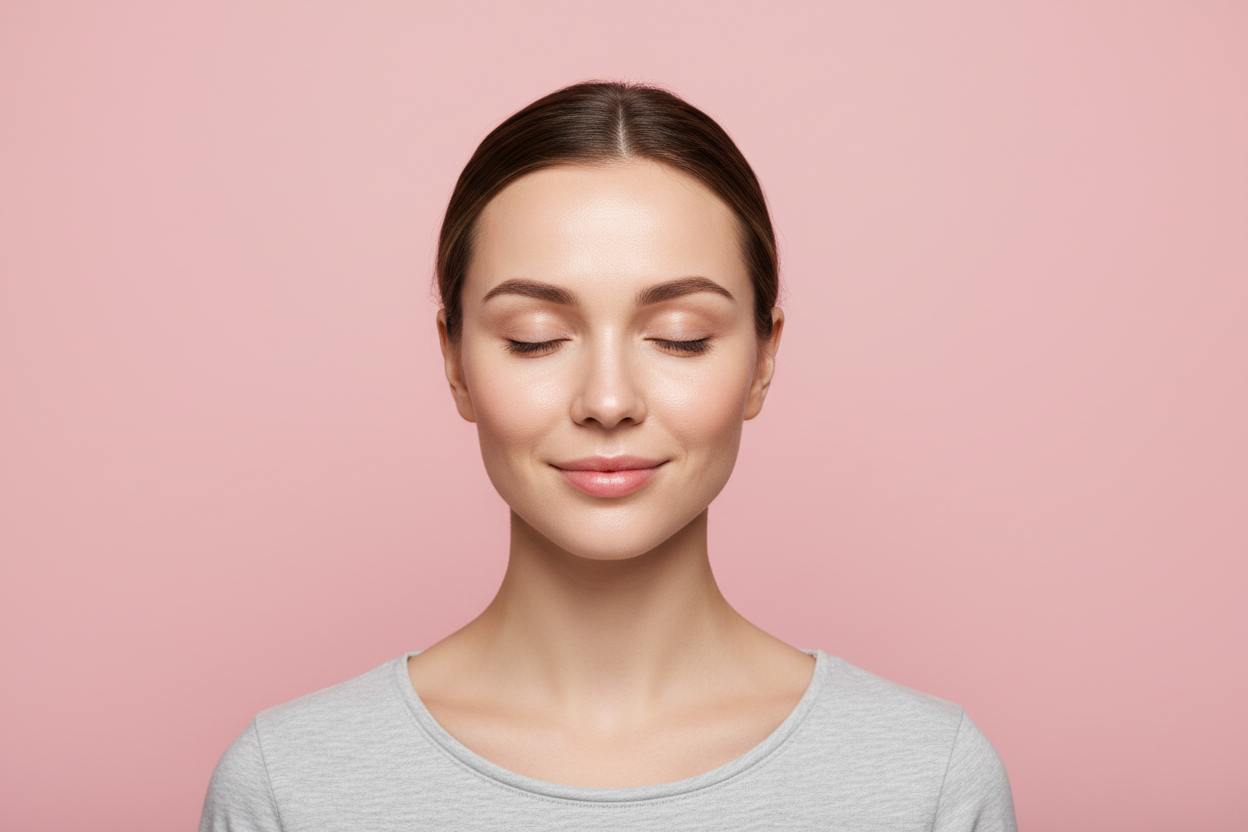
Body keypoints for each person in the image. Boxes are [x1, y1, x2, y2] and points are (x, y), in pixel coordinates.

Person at [199, 80, 1016, 831]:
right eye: (535, 339)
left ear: (764, 359)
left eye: (680, 338)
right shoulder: (291, 786)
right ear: (454, 362)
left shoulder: (925, 782)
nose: (609, 400)